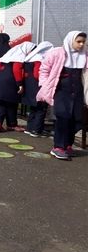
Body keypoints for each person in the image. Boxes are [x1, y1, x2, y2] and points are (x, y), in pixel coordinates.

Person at [37, 31, 87, 160]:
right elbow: (44, 69)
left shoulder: (85, 55)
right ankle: (58, 147)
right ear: (71, 40)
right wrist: (44, 85)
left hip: (77, 92)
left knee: (77, 120)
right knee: (63, 118)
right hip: (60, 91)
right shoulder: (57, 53)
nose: (81, 44)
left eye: (83, 42)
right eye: (79, 41)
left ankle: (68, 145)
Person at [0, 41, 35, 133]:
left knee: (3, 102)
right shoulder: (20, 56)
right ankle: (11, 124)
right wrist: (20, 84)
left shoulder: (10, 55)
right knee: (11, 103)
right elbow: (17, 69)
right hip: (10, 82)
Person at [22, 41, 53, 137]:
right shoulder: (40, 59)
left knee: (33, 108)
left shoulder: (30, 58)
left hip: (29, 86)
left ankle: (30, 127)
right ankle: (36, 129)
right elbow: (37, 74)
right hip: (37, 86)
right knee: (41, 108)